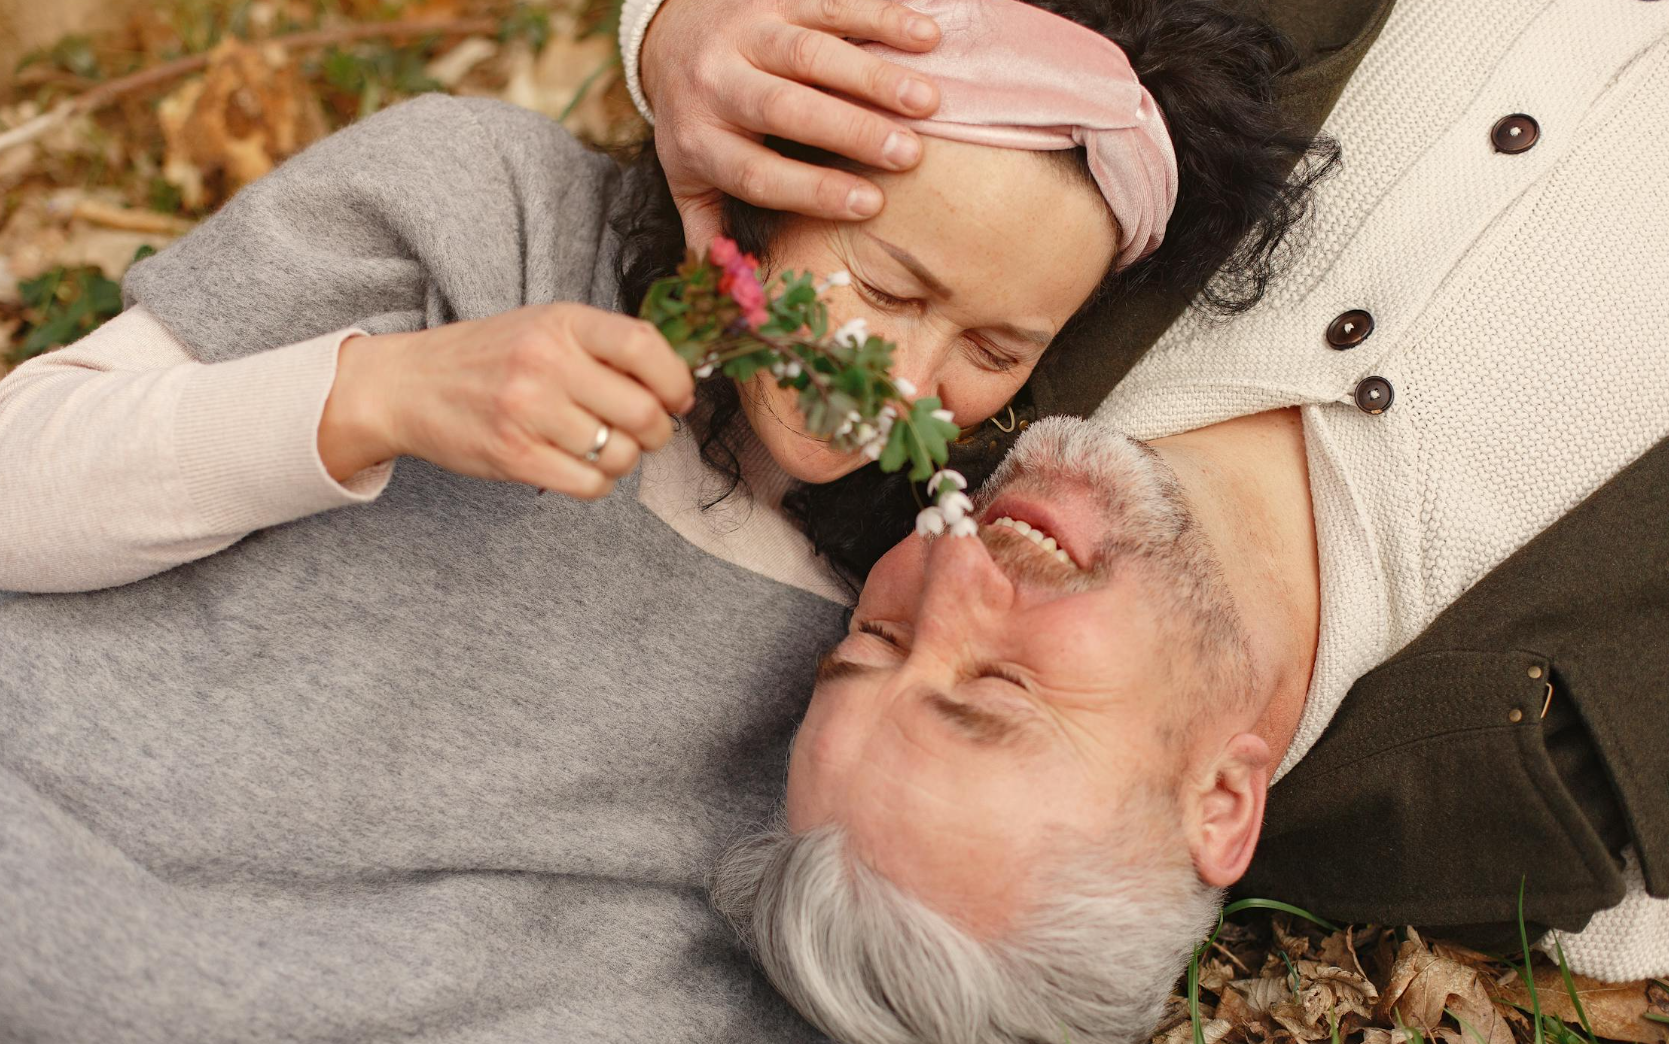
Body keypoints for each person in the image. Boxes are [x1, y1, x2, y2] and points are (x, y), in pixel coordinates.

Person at [0, 0, 1334, 1039]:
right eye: (884, 287)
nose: (908, 380)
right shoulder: (489, 217)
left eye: (992, 348)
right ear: (762, 176)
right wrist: (379, 398)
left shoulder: (872, 648)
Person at [709, 0, 1669, 1039]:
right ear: (1218, 802)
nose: (950, 571)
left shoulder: (952, 329)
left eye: (876, 638)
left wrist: (677, 33)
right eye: (999, 686)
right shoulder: (1577, 801)